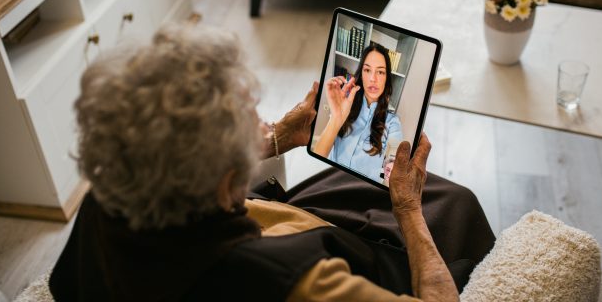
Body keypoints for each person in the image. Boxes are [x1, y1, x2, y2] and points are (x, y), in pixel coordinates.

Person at [49, 22, 495, 302]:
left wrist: (279, 138)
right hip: (325, 255)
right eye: (250, 119)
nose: (261, 122)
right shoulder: (290, 284)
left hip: (268, 224)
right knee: (450, 202)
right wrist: (408, 212)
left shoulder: (107, 201)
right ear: (225, 180)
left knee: (360, 185)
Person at [313, 43, 403, 183]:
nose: (373, 78)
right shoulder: (344, 107)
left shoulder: (393, 123)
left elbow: (395, 163)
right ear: (361, 74)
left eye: (380, 72)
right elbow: (317, 159)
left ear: (387, 78)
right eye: (367, 70)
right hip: (328, 183)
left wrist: (392, 167)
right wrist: (336, 118)